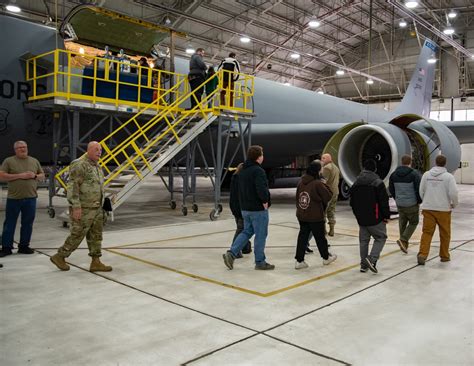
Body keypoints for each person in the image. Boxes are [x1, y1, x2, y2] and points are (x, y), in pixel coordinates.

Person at [50, 141, 112, 272]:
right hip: (84, 208)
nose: (99, 152)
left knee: (96, 236)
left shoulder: (96, 166)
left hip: (97, 208)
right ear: (88, 150)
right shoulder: (79, 164)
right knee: (77, 234)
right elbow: (73, 187)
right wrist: (76, 206)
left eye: (100, 150)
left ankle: (96, 262)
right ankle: (60, 256)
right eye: (96, 149)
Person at [223, 145, 274, 270]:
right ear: (258, 157)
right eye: (262, 154)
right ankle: (260, 262)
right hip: (257, 209)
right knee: (261, 235)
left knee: (247, 231)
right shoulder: (258, 171)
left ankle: (231, 253)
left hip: (245, 208)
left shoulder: (243, 170)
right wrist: (265, 201)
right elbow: (261, 189)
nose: (263, 157)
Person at [0, 141, 45, 257]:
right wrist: (20, 175)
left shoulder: (34, 161)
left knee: (27, 223)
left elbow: (42, 176)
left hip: (31, 199)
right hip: (14, 199)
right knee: (10, 223)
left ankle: (24, 246)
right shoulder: (9, 161)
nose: (22, 149)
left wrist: (34, 176)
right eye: (20, 147)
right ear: (15, 150)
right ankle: (6, 247)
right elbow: (2, 176)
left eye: (24, 147)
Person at [350, 159, 390, 273]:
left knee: (363, 241)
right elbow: (384, 201)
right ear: (375, 169)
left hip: (361, 218)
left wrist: (357, 214)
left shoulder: (356, 183)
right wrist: (386, 216)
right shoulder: (378, 182)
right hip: (375, 217)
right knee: (381, 237)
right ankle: (372, 260)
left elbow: (351, 201)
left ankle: (363, 265)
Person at [417, 155, 458, 265]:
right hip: (443, 209)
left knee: (427, 232)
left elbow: (421, 190)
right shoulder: (449, 177)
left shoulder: (426, 175)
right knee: (445, 234)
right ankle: (444, 256)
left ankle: (422, 254)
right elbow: (453, 193)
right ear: (445, 163)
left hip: (428, 208)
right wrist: (454, 204)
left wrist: (426, 200)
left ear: (435, 162)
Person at [295, 161, 337, 269]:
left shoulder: (301, 182)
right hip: (315, 216)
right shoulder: (317, 183)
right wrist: (324, 183)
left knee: (302, 237)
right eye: (321, 168)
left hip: (302, 214)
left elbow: (297, 198)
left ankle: (299, 261)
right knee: (320, 238)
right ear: (317, 171)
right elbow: (328, 196)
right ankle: (326, 257)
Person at [389, 154, 422, 253]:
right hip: (411, 204)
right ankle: (403, 240)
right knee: (413, 222)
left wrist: (397, 199)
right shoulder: (414, 174)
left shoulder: (393, 175)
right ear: (410, 162)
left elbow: (391, 189)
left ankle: (404, 245)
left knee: (402, 223)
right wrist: (419, 201)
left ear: (401, 162)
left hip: (400, 203)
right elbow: (418, 189)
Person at [229, 163, 252, 257]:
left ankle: (246, 247)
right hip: (240, 206)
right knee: (241, 229)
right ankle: (235, 251)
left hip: (234, 205)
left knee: (243, 227)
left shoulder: (234, 177)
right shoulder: (241, 180)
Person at [321, 153, 340, 236]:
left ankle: (324, 230)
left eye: (324, 158)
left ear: (329, 159)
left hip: (327, 194)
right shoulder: (336, 168)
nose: (322, 160)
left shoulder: (326, 168)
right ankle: (332, 230)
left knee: (323, 212)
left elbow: (323, 182)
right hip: (335, 192)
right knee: (331, 211)